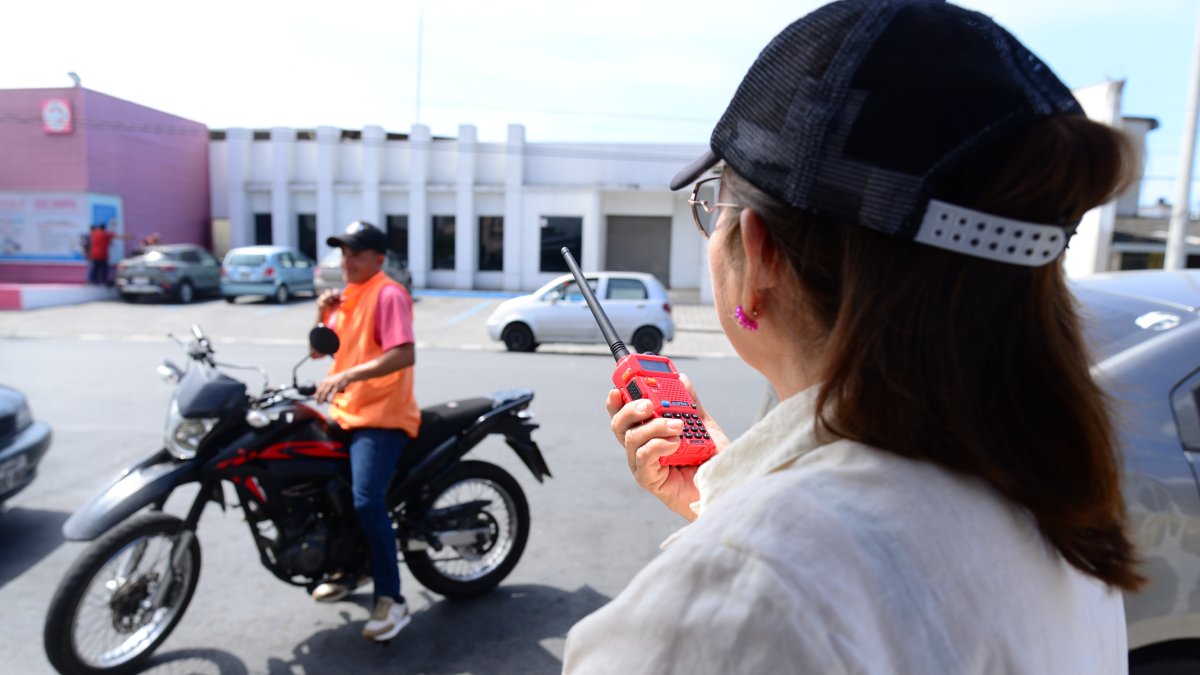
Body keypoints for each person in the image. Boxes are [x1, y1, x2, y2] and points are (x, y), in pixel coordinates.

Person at [563, 1, 1144, 673]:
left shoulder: (736, 602)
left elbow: (796, 598)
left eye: (714, 201)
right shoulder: (1062, 511)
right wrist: (727, 501)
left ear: (759, 255)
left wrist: (751, 534)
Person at [311, 220, 421, 642]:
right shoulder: (346, 297)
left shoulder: (388, 293)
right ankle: (349, 567)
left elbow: (404, 353)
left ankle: (391, 600)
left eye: (356, 253)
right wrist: (322, 312)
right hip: (345, 411)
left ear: (378, 259)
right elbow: (320, 350)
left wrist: (347, 376)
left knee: (366, 501)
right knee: (325, 489)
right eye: (343, 253)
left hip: (381, 416)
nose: (347, 261)